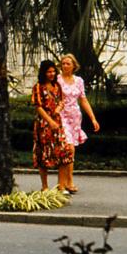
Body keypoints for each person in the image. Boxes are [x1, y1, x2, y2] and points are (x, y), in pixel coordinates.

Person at [57, 54, 100, 194]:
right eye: (63, 63)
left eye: (68, 63)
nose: (65, 66)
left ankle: (68, 181)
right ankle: (64, 182)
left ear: (74, 66)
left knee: (71, 148)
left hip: (74, 117)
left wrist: (93, 118)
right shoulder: (57, 80)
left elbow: (83, 100)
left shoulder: (79, 81)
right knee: (68, 147)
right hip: (61, 116)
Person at [32, 60, 73, 193]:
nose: (51, 74)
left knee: (64, 152)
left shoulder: (57, 86)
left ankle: (61, 186)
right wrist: (50, 121)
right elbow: (38, 107)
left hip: (57, 123)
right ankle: (44, 186)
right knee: (43, 154)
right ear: (43, 72)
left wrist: (58, 109)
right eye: (49, 71)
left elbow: (62, 101)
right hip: (44, 124)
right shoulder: (38, 87)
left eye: (53, 71)